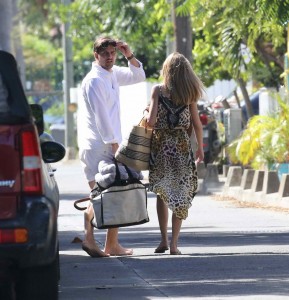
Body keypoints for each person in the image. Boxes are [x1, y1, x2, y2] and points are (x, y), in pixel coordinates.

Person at [77, 37, 146, 257]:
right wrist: (116, 146)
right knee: (99, 194)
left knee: (113, 191)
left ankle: (112, 244)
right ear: (95, 55)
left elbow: (138, 76)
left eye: (112, 53)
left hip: (109, 143)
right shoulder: (95, 80)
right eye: (105, 53)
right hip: (98, 146)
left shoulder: (112, 73)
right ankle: (89, 239)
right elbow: (101, 118)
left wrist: (128, 53)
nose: (109, 57)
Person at [144, 52, 204, 255]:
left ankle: (163, 240)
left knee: (161, 192)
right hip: (182, 148)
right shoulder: (189, 94)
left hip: (160, 148)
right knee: (180, 193)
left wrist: (145, 112)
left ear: (166, 71)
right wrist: (200, 149)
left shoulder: (158, 91)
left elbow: (151, 123)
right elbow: (196, 125)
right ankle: (175, 245)